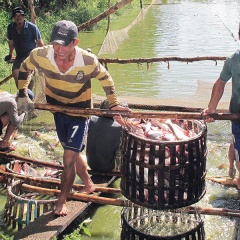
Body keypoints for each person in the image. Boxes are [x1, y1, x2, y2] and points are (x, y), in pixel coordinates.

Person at [16, 20, 130, 216]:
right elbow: (25, 67)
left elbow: (105, 78)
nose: (59, 50)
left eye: (65, 44)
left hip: (79, 111)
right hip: (56, 108)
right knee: (73, 152)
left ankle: (62, 200)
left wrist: (113, 104)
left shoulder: (87, 61)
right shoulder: (40, 55)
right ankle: (89, 184)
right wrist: (22, 91)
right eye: (55, 44)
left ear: (75, 43)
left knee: (68, 156)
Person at [202, 26, 240, 190]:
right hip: (238, 114)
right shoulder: (233, 60)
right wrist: (211, 109)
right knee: (237, 143)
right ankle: (233, 169)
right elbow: (220, 83)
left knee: (235, 143)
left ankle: (232, 166)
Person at [5, 7, 44, 89]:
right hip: (19, 57)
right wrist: (10, 54)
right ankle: (22, 95)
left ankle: (27, 96)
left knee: (28, 77)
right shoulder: (11, 27)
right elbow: (11, 42)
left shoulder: (32, 27)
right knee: (16, 73)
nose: (18, 17)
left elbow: (40, 43)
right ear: (13, 17)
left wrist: (43, 56)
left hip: (31, 57)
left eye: (20, 15)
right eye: (16, 16)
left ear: (23, 16)